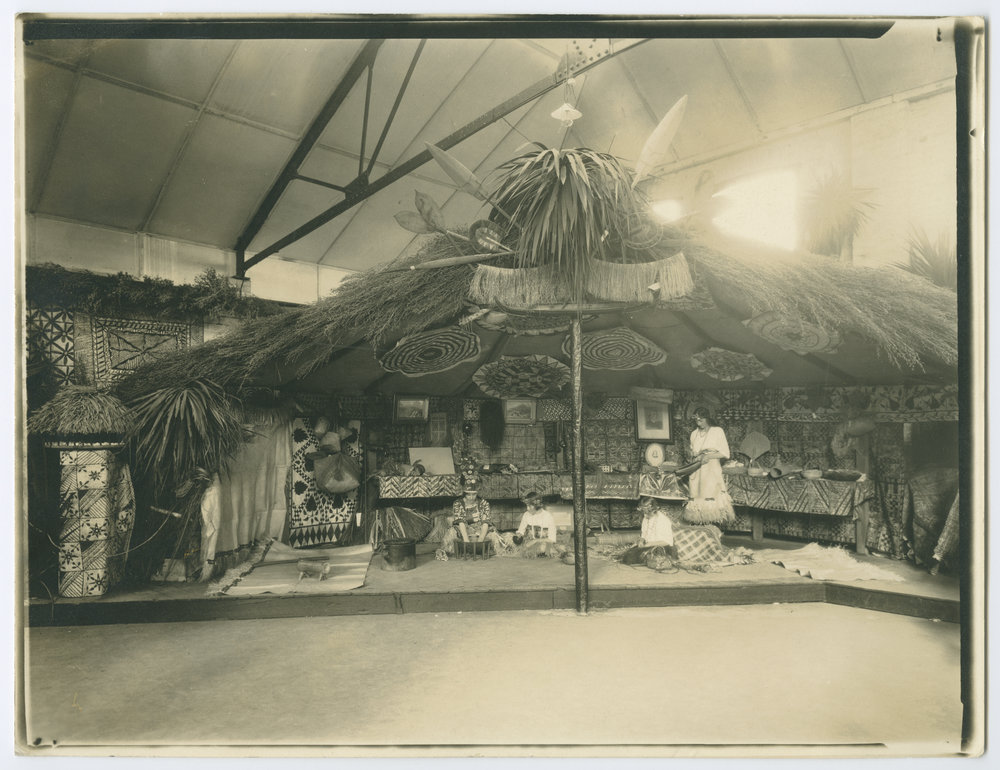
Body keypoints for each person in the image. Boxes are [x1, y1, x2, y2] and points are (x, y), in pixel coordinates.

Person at [683, 407, 736, 525]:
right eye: (696, 420)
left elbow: (725, 454)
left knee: (711, 497)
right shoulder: (694, 434)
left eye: (701, 419)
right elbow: (693, 451)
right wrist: (694, 455)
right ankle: (701, 529)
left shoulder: (717, 431)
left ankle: (712, 529)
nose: (699, 422)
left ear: (708, 418)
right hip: (697, 469)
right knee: (697, 498)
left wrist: (709, 456)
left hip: (711, 469)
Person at [440, 480, 499, 557]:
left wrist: (480, 542)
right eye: (468, 495)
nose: (471, 497)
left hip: (479, 528)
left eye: (474, 494)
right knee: (453, 532)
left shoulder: (484, 503)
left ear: (477, 493)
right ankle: (464, 548)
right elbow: (460, 521)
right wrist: (466, 542)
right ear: (464, 494)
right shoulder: (458, 503)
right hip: (464, 528)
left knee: (492, 534)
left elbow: (485, 522)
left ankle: (482, 549)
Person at [620, 496, 677, 566]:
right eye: (643, 512)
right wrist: (641, 540)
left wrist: (648, 544)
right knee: (627, 555)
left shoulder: (663, 520)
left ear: (654, 510)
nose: (645, 515)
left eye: (646, 513)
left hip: (662, 548)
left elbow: (667, 542)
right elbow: (644, 535)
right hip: (649, 546)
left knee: (631, 557)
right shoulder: (646, 517)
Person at [512, 491, 561, 558]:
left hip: (544, 544)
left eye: (529, 506)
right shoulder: (526, 515)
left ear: (537, 505)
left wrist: (535, 541)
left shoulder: (548, 516)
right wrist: (519, 535)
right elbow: (521, 530)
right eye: (527, 506)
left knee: (543, 548)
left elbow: (552, 539)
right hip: (529, 543)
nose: (527, 508)